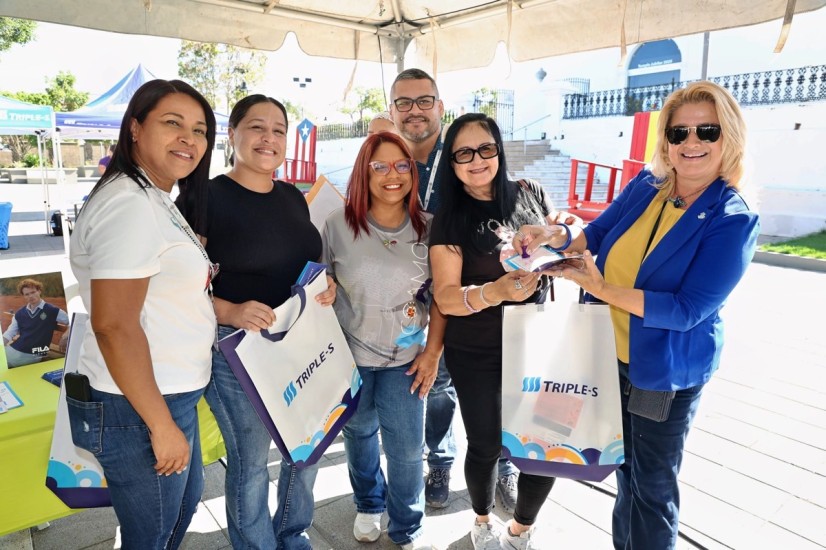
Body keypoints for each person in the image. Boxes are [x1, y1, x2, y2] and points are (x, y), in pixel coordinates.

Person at [514, 81, 760, 550]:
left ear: (728, 136)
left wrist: (602, 289)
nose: (691, 142)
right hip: (606, 357)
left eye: (706, 131)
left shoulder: (733, 217)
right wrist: (552, 237)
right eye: (679, 131)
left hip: (659, 373)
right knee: (623, 472)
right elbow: (596, 234)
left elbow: (687, 310)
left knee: (651, 488)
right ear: (665, 139)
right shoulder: (647, 185)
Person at [177, 94, 336, 550]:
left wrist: (325, 284)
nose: (269, 138)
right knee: (250, 464)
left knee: (307, 444)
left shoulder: (291, 196)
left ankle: (291, 533)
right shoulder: (203, 197)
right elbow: (176, 285)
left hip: (297, 340)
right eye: (256, 127)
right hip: (236, 348)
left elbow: (303, 261)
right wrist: (228, 310)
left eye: (278, 130)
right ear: (232, 134)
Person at [67, 79, 217, 550]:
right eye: (172, 123)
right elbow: (114, 325)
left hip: (163, 396)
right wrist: (161, 425)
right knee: (152, 534)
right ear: (135, 128)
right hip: (140, 405)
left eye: (199, 129)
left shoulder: (151, 195)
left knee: (175, 515)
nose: (188, 139)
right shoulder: (129, 204)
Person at [429, 113, 562, 550]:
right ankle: (483, 520)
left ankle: (522, 528)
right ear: (451, 163)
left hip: (537, 345)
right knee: (485, 444)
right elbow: (445, 297)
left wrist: (559, 238)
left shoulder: (530, 193)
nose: (477, 160)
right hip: (477, 350)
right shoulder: (449, 217)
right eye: (463, 153)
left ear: (499, 150)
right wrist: (495, 292)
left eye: (485, 148)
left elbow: (564, 239)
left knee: (543, 447)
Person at [389, 68, 519, 512]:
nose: (415, 111)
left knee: (488, 392)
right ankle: (441, 461)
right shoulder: (388, 157)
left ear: (440, 107)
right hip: (410, 297)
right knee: (436, 385)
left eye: (424, 101)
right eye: (404, 103)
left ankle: (505, 465)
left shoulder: (461, 153)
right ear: (392, 111)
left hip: (463, 297)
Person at [321, 131, 444, 550]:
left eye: (401, 165)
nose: (392, 175)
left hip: (407, 359)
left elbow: (443, 297)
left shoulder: (430, 228)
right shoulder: (337, 224)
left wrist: (433, 352)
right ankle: (369, 503)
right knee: (359, 436)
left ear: (412, 170)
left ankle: (408, 525)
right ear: (364, 172)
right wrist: (324, 285)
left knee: (407, 449)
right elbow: (321, 278)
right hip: (349, 357)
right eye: (380, 166)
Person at [3, 278, 69, 368]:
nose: (30, 296)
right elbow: (10, 333)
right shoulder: (20, 313)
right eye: (27, 294)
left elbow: (73, 321)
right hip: (14, 349)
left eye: (33, 292)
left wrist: (65, 335)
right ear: (24, 296)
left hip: (32, 355)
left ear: (39, 291)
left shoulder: (52, 310)